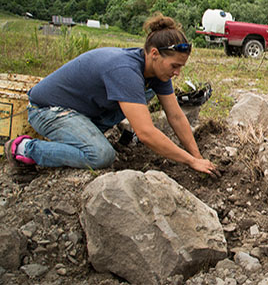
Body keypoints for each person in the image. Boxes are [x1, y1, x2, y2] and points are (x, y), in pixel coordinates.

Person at [4, 12, 218, 177]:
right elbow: (146, 133)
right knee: (100, 155)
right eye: (174, 65)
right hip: (49, 110)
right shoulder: (124, 71)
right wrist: (189, 162)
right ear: (154, 54)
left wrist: (197, 158)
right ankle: (24, 148)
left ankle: (84, 133)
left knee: (147, 93)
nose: (177, 73)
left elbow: (176, 116)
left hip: (83, 111)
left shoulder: (154, 72)